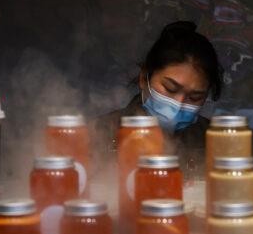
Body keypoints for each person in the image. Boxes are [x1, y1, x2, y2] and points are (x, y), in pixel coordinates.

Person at [93, 21, 223, 175]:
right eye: (170, 88)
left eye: (194, 97)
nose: (178, 104)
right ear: (143, 78)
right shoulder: (100, 133)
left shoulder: (214, 141)